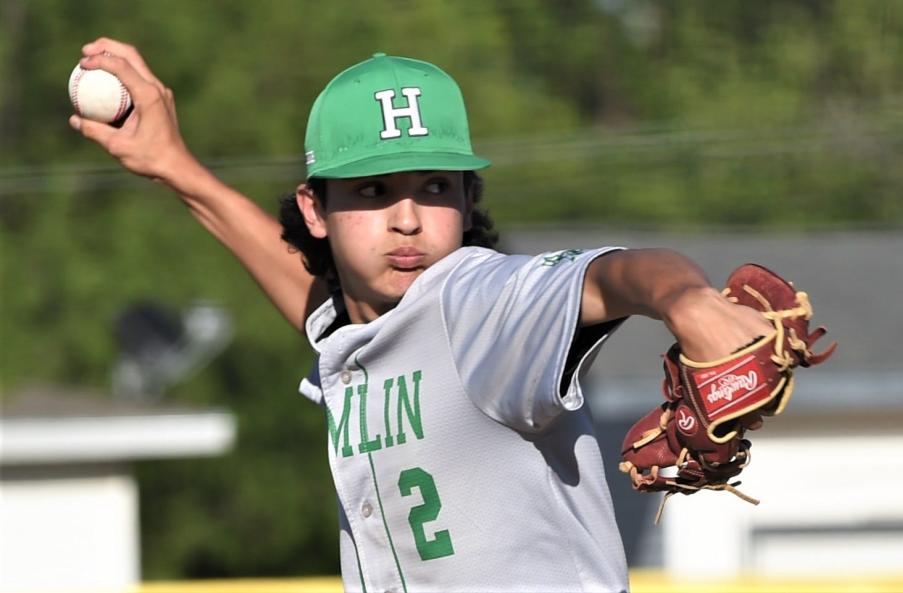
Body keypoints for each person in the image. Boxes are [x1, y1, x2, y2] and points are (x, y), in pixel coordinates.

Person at [70, 38, 772, 593]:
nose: (407, 219)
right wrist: (175, 167)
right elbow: (315, 300)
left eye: (434, 186)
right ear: (316, 210)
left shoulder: (479, 302)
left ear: (468, 199)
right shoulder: (358, 327)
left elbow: (611, 274)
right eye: (373, 189)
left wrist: (684, 297)